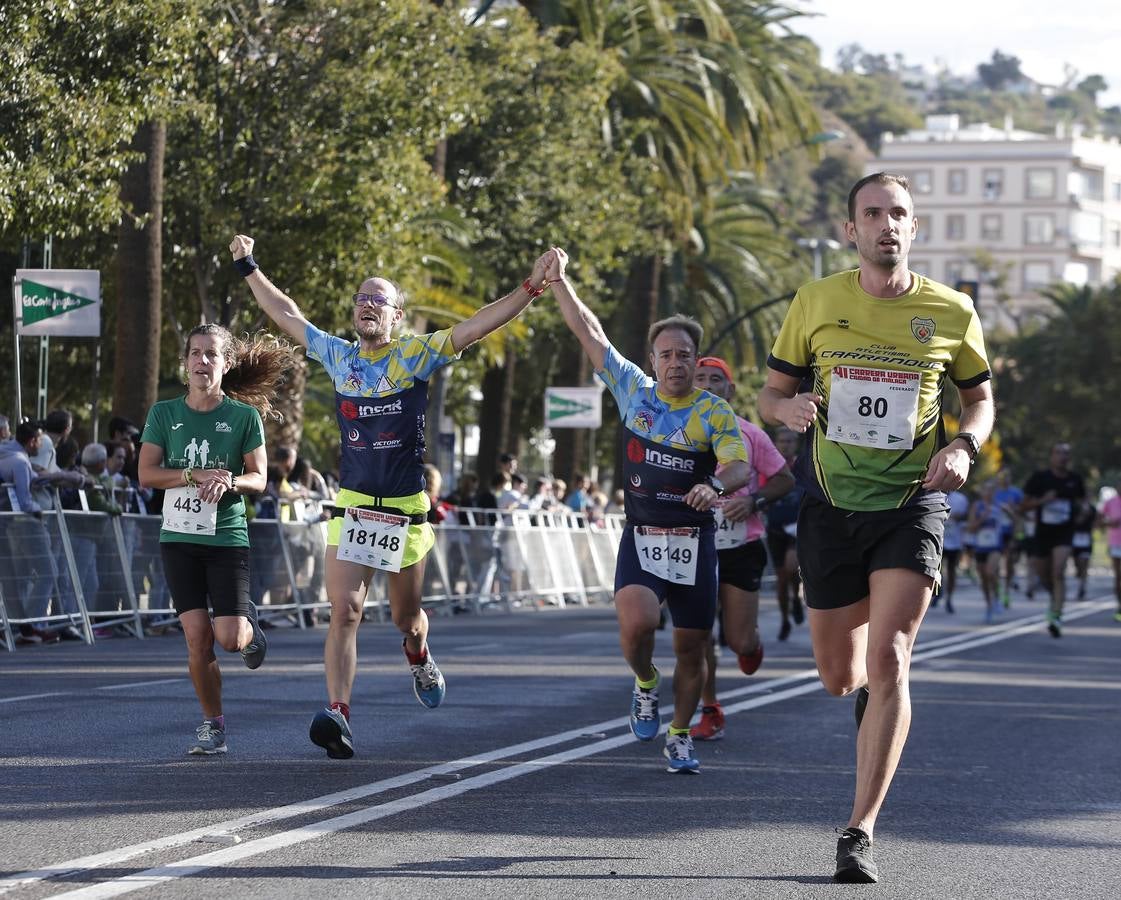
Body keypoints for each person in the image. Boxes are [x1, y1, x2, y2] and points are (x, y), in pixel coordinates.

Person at [231, 232, 549, 760]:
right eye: (361, 298)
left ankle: (418, 650)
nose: (367, 305)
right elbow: (285, 313)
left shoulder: (416, 356)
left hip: (404, 513)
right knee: (346, 611)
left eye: (379, 300)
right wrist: (248, 266)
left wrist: (531, 289)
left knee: (406, 617)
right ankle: (339, 712)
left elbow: (476, 324)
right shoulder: (338, 357)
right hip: (353, 505)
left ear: (398, 316)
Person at [758, 172, 993, 883]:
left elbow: (979, 402)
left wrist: (962, 447)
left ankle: (858, 830)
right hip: (830, 503)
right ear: (850, 231)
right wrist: (787, 412)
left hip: (911, 502)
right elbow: (770, 393)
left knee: (891, 656)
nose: (886, 224)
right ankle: (863, 692)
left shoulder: (950, 311)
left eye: (898, 214)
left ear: (912, 229)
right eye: (872, 213)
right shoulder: (816, 302)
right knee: (839, 676)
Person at [546, 246, 750, 774]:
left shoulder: (714, 411)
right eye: (666, 354)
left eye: (685, 354)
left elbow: (739, 467)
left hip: (694, 541)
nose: (676, 362)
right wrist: (561, 283)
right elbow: (590, 334)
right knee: (637, 625)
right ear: (653, 359)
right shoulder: (633, 391)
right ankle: (644, 682)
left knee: (691, 646)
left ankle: (679, 733)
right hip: (642, 535)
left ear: (695, 359)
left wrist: (713, 482)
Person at [137, 323, 292, 755]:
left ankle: (248, 627)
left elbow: (260, 478)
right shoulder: (164, 414)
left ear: (225, 365)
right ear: (185, 362)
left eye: (211, 355)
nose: (202, 362)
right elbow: (147, 474)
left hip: (226, 537)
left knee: (228, 639)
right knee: (196, 637)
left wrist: (230, 482)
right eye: (195, 353)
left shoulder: (243, 417)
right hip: (179, 537)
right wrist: (191, 475)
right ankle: (213, 723)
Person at [689, 356, 794, 743]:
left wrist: (753, 503)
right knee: (698, 635)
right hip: (693, 545)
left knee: (738, 641)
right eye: (699, 378)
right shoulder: (673, 430)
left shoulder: (750, 434)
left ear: (730, 390)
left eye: (716, 379)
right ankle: (710, 708)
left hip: (740, 547)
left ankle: (752, 642)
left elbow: (783, 479)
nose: (707, 384)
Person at [0, 420, 60, 644]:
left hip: (8, 527)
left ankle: (22, 626)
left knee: (13, 579)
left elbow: (34, 480)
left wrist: (62, 477)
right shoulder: (18, 461)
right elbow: (26, 501)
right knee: (47, 572)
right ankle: (30, 624)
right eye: (39, 440)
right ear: (33, 441)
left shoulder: (7, 454)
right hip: (14, 524)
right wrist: (41, 512)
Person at [1022, 442, 1085, 638]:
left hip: (1064, 532)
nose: (1063, 457)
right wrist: (1042, 501)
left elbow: (1083, 503)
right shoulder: (1040, 478)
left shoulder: (1075, 480)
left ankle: (1056, 615)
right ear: (1051, 456)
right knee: (1045, 576)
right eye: (1059, 453)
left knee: (1058, 571)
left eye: (1066, 453)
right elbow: (1023, 506)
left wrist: (1084, 512)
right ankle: (1054, 597)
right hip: (1043, 532)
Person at [764, 427, 805, 640]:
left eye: (790, 441)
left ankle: (797, 598)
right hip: (775, 528)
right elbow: (760, 492)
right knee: (781, 580)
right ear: (776, 442)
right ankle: (785, 618)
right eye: (782, 441)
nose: (786, 444)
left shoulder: (802, 466)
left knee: (791, 567)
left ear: (796, 443)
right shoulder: (768, 466)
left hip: (797, 529)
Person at [967, 480, 1006, 624]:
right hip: (980, 546)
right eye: (986, 490)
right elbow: (971, 528)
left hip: (995, 545)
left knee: (990, 572)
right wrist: (983, 517)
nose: (988, 493)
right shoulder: (977, 506)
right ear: (982, 492)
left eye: (991, 490)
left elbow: (1013, 519)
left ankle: (996, 597)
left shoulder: (999, 506)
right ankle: (989, 606)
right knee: (983, 578)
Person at [934, 489, 970, 614]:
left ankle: (949, 598)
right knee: (937, 569)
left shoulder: (961, 499)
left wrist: (956, 516)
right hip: (939, 539)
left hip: (955, 541)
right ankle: (939, 592)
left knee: (951, 570)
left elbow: (966, 517)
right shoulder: (934, 494)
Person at [1098, 485, 1121, 622]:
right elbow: (1099, 521)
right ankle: (1119, 605)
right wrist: (1110, 523)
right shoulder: (1110, 502)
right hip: (1115, 543)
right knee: (1118, 576)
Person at [1071, 499, 1094, 601]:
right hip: (1074, 539)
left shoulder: (1092, 508)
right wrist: (1083, 514)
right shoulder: (1074, 507)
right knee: (1078, 565)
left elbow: (1096, 522)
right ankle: (1080, 577)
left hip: (1086, 539)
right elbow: (1074, 522)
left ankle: (1082, 587)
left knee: (1084, 563)